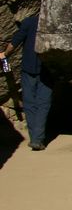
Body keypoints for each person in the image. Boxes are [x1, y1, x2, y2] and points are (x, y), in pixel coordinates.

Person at [1, 14, 50, 150]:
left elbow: (14, 43)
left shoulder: (29, 22)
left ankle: (35, 139)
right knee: (43, 104)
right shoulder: (53, 23)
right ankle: (38, 139)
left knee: (29, 103)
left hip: (29, 68)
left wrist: (4, 55)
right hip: (47, 70)